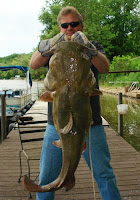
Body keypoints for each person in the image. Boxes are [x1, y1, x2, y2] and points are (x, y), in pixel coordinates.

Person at [30, 6, 122, 200]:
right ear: (59, 27)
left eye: (74, 24)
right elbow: (34, 63)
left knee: (104, 174)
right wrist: (48, 46)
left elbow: (104, 68)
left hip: (91, 125)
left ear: (82, 25)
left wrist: (90, 50)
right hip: (56, 125)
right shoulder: (53, 48)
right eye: (65, 25)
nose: (69, 28)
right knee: (47, 175)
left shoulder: (91, 45)